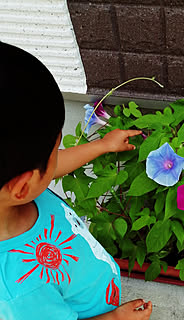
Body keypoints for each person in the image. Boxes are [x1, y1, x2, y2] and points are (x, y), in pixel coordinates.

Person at [0, 42, 152, 320]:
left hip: (87, 287)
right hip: (90, 311)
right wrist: (116, 318)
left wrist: (102, 146)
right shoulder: (19, 292)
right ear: (23, 185)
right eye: (54, 152)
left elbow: (53, 168)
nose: (58, 157)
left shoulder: (13, 190)